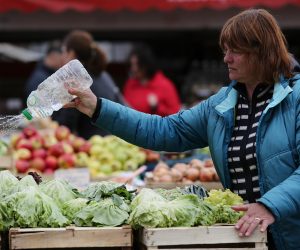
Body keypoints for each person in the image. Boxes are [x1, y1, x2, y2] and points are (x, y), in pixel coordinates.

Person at [64, 9, 300, 250]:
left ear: (261, 52)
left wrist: (270, 205)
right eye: (225, 50)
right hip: (247, 238)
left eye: (235, 51)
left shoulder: (296, 98)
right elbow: (164, 130)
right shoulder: (222, 104)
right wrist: (97, 107)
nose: (226, 58)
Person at [53, 30, 126, 139]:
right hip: (114, 141)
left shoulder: (76, 81)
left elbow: (65, 126)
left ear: (71, 53)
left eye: (63, 51)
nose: (61, 56)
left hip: (93, 145)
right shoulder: (103, 74)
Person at [123, 45, 181, 116]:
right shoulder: (130, 84)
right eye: (132, 65)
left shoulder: (165, 85)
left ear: (146, 64)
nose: (134, 69)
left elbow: (176, 115)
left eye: (137, 64)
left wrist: (157, 107)